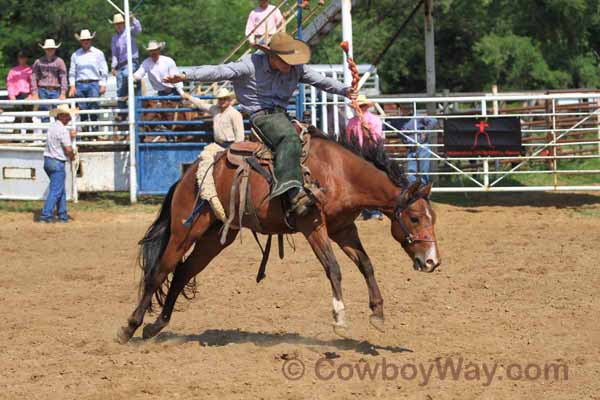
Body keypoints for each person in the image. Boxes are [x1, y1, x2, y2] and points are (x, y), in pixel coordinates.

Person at [165, 31, 356, 216]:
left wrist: (345, 90)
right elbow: (218, 71)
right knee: (288, 137)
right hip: (260, 116)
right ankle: (290, 191)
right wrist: (185, 74)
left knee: (318, 140)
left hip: (282, 115)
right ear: (272, 57)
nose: (290, 65)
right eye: (285, 61)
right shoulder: (249, 65)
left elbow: (321, 81)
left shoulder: (296, 67)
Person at [346, 95, 384, 221]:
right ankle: (366, 210)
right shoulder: (351, 122)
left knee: (374, 182)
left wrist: (369, 131)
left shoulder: (374, 120)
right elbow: (348, 140)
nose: (359, 108)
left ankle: (375, 211)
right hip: (358, 155)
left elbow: (377, 140)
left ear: (366, 107)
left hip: (371, 154)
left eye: (361, 106)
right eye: (358, 106)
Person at [39, 104, 77, 223]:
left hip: (48, 160)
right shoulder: (63, 131)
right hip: (57, 162)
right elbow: (68, 149)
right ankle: (46, 216)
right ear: (62, 116)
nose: (70, 118)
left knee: (59, 189)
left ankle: (62, 215)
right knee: (56, 190)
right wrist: (73, 157)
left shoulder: (52, 127)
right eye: (68, 115)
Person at [68, 30, 109, 127]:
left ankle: (94, 133)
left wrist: (103, 84)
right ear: (81, 41)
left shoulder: (98, 53)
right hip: (80, 83)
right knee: (82, 109)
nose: (86, 41)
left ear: (90, 40)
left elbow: (104, 70)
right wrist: (72, 85)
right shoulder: (75, 55)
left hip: (94, 83)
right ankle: (85, 133)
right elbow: (72, 72)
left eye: (87, 40)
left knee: (94, 108)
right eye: (83, 40)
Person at [390, 106, 437, 185]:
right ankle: (413, 189)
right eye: (404, 108)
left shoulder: (418, 116)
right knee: (411, 172)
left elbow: (433, 121)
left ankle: (422, 188)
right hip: (411, 148)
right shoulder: (397, 121)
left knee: (423, 171)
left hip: (422, 146)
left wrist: (425, 132)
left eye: (408, 107)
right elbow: (386, 125)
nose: (406, 110)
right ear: (400, 109)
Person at [110, 13, 142, 114]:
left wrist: (133, 19)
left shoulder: (129, 31)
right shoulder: (114, 38)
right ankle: (122, 113)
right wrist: (113, 67)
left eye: (120, 23)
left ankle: (129, 94)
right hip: (121, 65)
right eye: (117, 24)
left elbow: (138, 29)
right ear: (114, 25)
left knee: (126, 75)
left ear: (124, 23)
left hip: (132, 62)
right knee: (119, 89)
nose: (119, 25)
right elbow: (115, 54)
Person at [31, 39, 68, 122]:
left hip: (55, 90)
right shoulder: (38, 62)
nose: (50, 50)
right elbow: (33, 77)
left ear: (55, 49)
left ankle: (55, 132)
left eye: (52, 49)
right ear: (45, 50)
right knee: (44, 112)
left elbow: (63, 77)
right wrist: (35, 93)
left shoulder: (59, 61)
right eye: (48, 49)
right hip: (43, 89)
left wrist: (63, 93)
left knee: (57, 113)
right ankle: (46, 132)